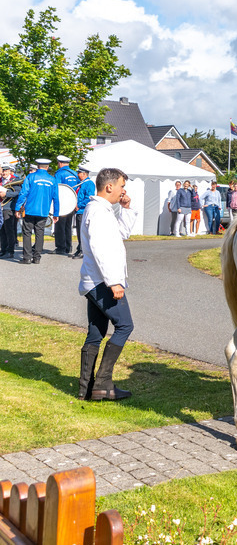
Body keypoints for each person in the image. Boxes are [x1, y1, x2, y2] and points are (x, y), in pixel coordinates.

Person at [77, 167, 138, 401]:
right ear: (109, 186)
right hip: (102, 281)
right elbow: (102, 249)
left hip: (95, 281)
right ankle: (102, 385)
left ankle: (86, 388)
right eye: (122, 186)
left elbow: (121, 233)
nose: (124, 191)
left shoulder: (102, 209)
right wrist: (114, 282)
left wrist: (126, 209)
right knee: (124, 326)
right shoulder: (99, 212)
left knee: (96, 333)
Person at [15, 158, 59, 264]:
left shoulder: (31, 176)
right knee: (40, 233)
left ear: (38, 166)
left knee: (27, 233)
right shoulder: (52, 180)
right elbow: (56, 198)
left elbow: (23, 193)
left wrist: (17, 208)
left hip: (30, 210)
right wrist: (56, 213)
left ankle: (27, 258)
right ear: (47, 167)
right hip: (43, 211)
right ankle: (37, 257)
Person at [53, 155, 79, 255]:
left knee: (60, 226)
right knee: (68, 226)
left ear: (60, 163)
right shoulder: (74, 173)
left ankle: (61, 247)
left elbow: (58, 189)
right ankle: (68, 246)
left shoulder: (59, 174)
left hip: (62, 203)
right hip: (72, 203)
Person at [72, 166, 96, 259]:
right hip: (79, 211)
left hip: (82, 211)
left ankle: (83, 250)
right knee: (79, 231)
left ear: (84, 174)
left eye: (79, 173)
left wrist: (79, 205)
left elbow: (89, 198)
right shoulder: (81, 183)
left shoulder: (89, 184)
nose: (78, 175)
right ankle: (79, 248)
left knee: (82, 232)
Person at [0, 163, 19, 258]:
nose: (4, 173)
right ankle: (3, 249)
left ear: (9, 171)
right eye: (2, 171)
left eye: (5, 171)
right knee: (2, 230)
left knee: (9, 229)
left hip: (8, 207)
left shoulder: (15, 180)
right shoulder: (0, 180)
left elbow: (17, 192)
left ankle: (10, 250)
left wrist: (6, 193)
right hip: (1, 207)